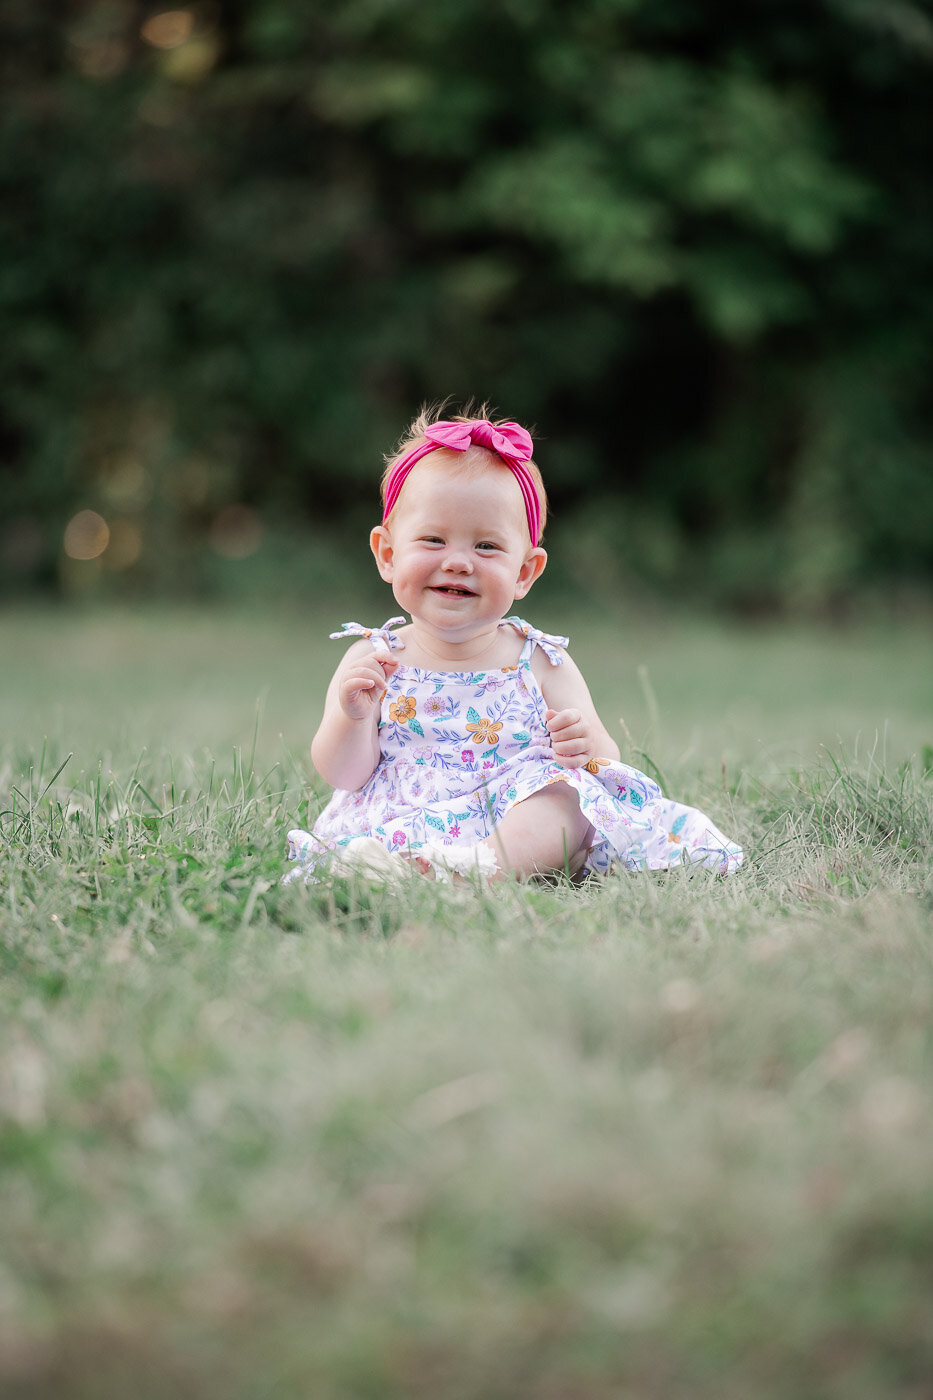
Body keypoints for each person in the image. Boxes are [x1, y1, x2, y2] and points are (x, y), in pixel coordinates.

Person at [286, 407, 743, 885]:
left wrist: (584, 747)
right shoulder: (373, 659)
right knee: (371, 845)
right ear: (387, 554)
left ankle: (475, 871)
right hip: (405, 819)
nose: (459, 562)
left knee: (566, 799)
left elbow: (604, 762)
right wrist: (352, 717)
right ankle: (400, 869)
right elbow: (344, 776)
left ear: (525, 572)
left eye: (486, 547)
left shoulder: (541, 660)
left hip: (513, 819)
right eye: (434, 540)